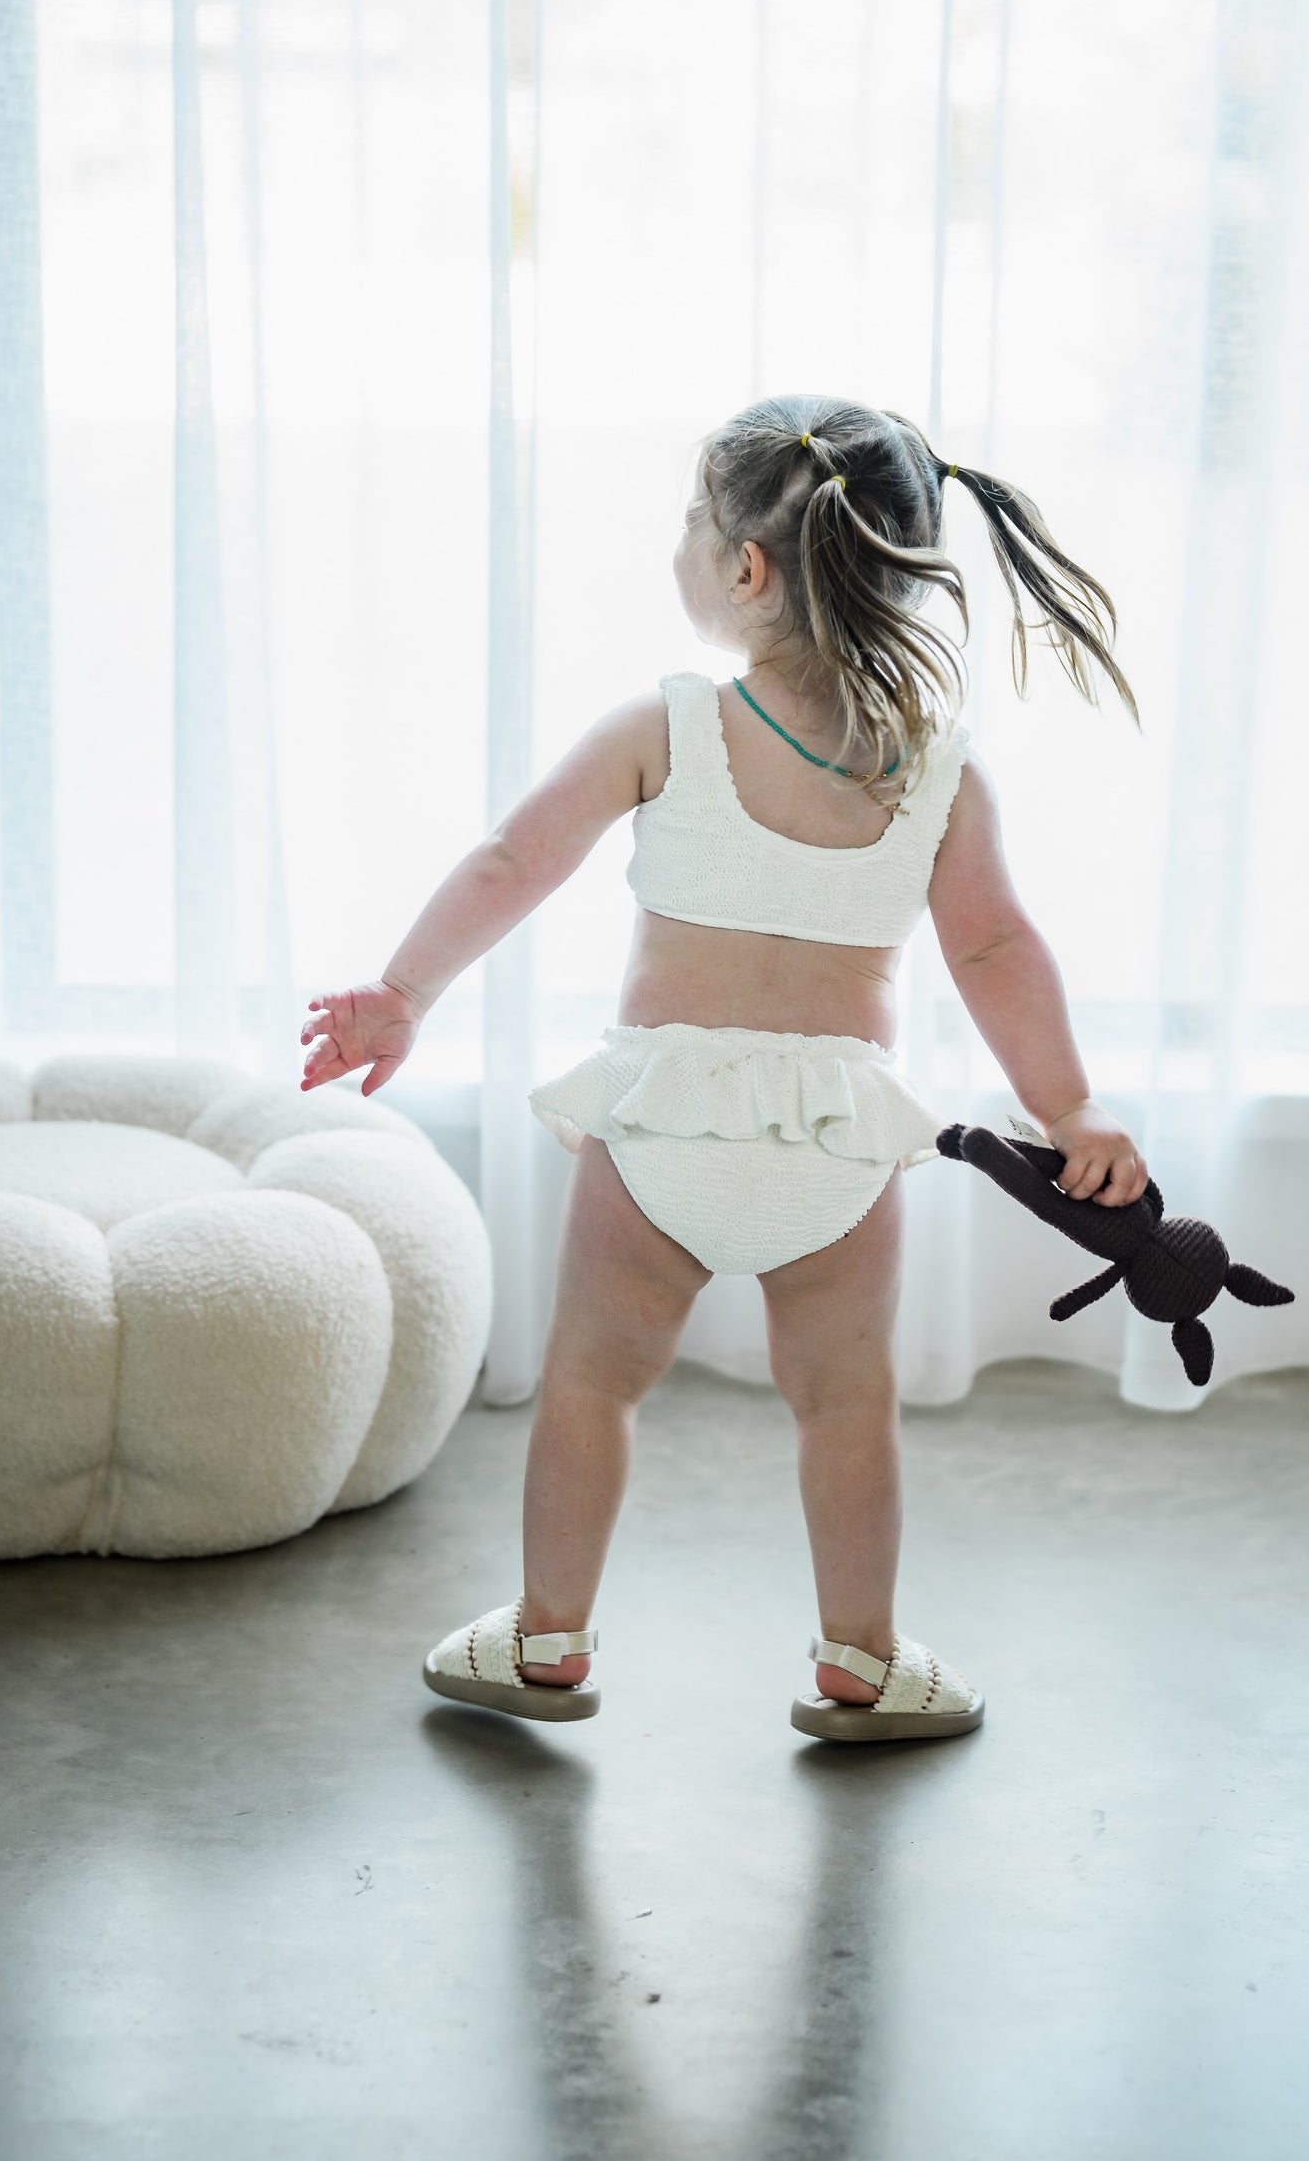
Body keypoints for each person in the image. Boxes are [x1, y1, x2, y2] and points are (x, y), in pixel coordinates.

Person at [298, 395, 1147, 1744]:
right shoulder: (935, 769)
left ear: (745, 568)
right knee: (844, 1400)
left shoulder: (666, 726)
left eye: (695, 525)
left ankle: (544, 1640)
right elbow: (991, 947)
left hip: (666, 1127)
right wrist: (1069, 1108)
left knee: (591, 1379)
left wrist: (402, 995)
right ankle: (861, 1662)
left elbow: (513, 862)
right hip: (832, 1138)